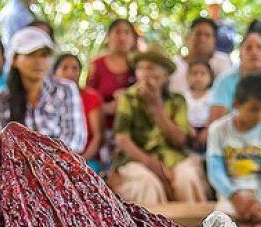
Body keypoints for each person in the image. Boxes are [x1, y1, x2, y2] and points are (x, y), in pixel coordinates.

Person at [109, 46, 208, 206]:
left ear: (165, 75)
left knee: (187, 178)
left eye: (151, 68)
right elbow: (122, 138)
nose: (144, 73)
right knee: (147, 184)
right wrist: (150, 163)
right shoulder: (128, 98)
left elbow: (180, 141)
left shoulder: (177, 101)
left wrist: (156, 107)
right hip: (136, 159)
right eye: (140, 68)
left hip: (174, 158)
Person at [207, 74, 261, 227]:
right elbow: (215, 170)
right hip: (230, 192)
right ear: (236, 104)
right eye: (255, 109)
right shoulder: (218, 129)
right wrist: (234, 196)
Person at [0, 27, 86, 153]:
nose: (39, 61)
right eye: (31, 55)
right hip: (20, 171)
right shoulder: (1, 99)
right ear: (14, 60)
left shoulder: (66, 90)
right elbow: (5, 147)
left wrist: (43, 160)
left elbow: (75, 139)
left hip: (61, 168)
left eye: (44, 55)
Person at [208, 32, 261, 131]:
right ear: (240, 55)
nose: (254, 52)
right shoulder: (224, 81)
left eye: (259, 47)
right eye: (248, 48)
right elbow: (216, 124)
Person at [53, 53, 103, 172]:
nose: (70, 72)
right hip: (53, 160)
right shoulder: (48, 98)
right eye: (64, 68)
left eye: (75, 68)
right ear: (54, 72)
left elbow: (97, 137)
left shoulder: (91, 97)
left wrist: (79, 162)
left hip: (86, 159)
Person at [86, 19, 137, 129]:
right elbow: (86, 102)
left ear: (133, 39)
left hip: (134, 132)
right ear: (108, 37)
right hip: (101, 130)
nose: (122, 37)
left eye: (127, 32)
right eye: (118, 32)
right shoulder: (96, 65)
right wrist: (106, 108)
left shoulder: (140, 66)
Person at [169, 18, 231, 96]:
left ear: (214, 41)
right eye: (198, 34)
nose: (202, 39)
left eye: (207, 35)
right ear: (188, 37)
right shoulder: (174, 65)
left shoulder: (222, 61)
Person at [183, 58, 214, 154]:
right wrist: (188, 127)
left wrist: (207, 130)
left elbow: (214, 115)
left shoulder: (213, 95)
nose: (198, 77)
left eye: (203, 74)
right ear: (187, 77)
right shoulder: (183, 96)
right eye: (194, 73)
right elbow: (181, 115)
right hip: (188, 129)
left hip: (207, 130)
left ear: (210, 78)